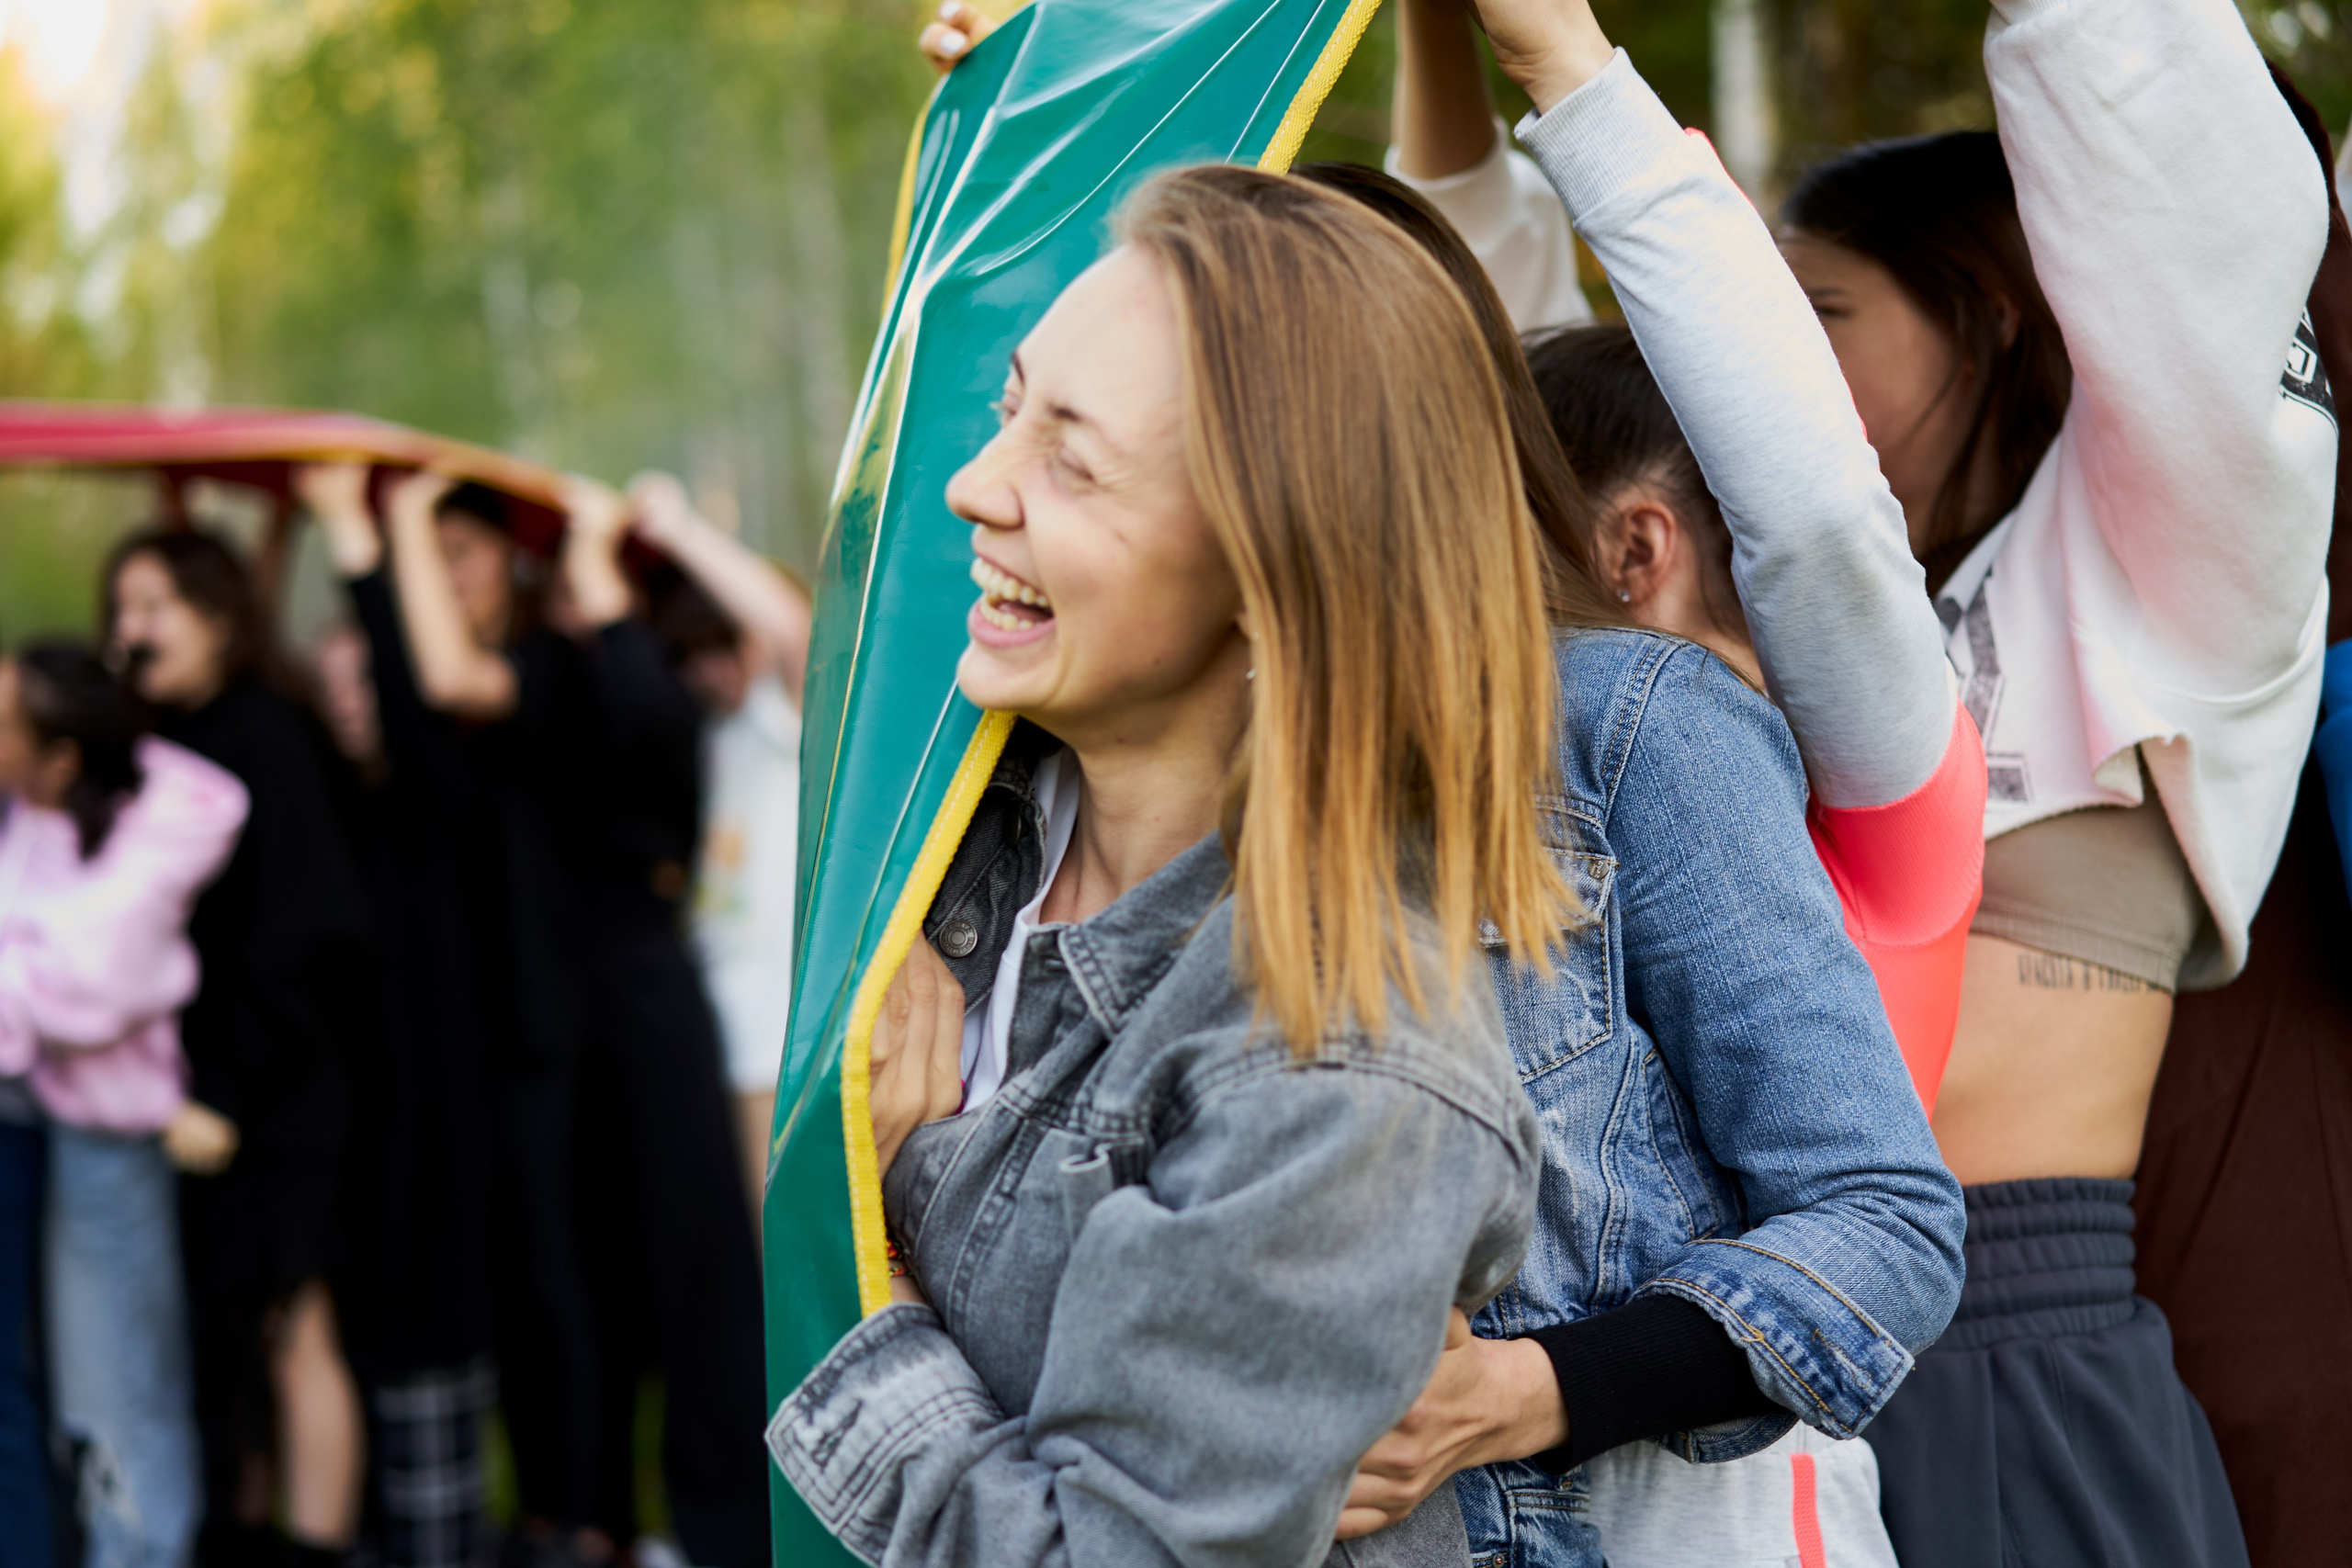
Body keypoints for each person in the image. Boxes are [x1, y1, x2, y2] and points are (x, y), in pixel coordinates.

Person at [770, 161, 1566, 1566]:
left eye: (1070, 459)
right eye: (1010, 408)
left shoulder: (1343, 1068)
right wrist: (1004, 106)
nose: (973, 483)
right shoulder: (948, 818)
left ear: (1279, 573)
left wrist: (872, 1235)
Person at [307, 469, 600, 1568]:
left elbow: (427, 674)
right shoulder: (392, 741)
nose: (443, 575)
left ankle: (570, 1520)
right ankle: (527, 1514)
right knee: (505, 1278)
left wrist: (384, 521)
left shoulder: (536, 670)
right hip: (461, 1034)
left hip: (539, 1021)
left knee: (547, 1278)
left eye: (461, 556)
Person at [106, 531, 372, 1568]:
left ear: (218, 617)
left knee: (299, 1324)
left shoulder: (265, 736)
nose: (129, 633)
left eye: (153, 607)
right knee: (226, 1329)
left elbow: (311, 933)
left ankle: (315, 1547)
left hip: (279, 1085)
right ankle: (239, 1530)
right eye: (120, 609)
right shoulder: (157, 742)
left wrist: (231, 1085)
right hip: (192, 1093)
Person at [300, 465, 508, 1568]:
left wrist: (359, 530)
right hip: (357, 1136)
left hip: (439, 1132)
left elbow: (403, 678)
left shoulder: (438, 800)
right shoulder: (333, 808)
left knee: (430, 1366)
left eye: (362, 682)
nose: (347, 702)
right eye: (327, 688)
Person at [0, 643, 247, 1568]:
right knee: (71, 1388)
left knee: (120, 1393)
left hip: (109, 1141)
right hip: (40, 1125)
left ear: (60, 758)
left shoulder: (150, 835)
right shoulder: (38, 818)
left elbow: (76, 981)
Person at [624, 471, 811, 1213]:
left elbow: (794, 627)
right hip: (718, 1021)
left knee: (783, 1238)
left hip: (777, 1029)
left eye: (721, 647)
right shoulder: (708, 729)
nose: (710, 670)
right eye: (690, 654)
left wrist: (679, 530)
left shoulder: (784, 719)